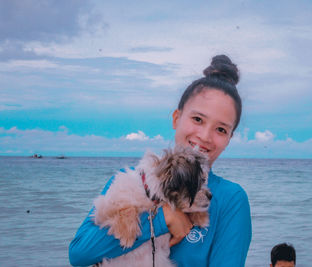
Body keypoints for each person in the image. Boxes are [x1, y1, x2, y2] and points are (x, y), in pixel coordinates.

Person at [69, 55, 252, 266]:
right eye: (198, 119)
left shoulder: (230, 200)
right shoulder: (131, 180)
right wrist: (163, 219)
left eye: (221, 129)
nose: (205, 136)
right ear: (176, 118)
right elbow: (79, 254)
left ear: (229, 138)